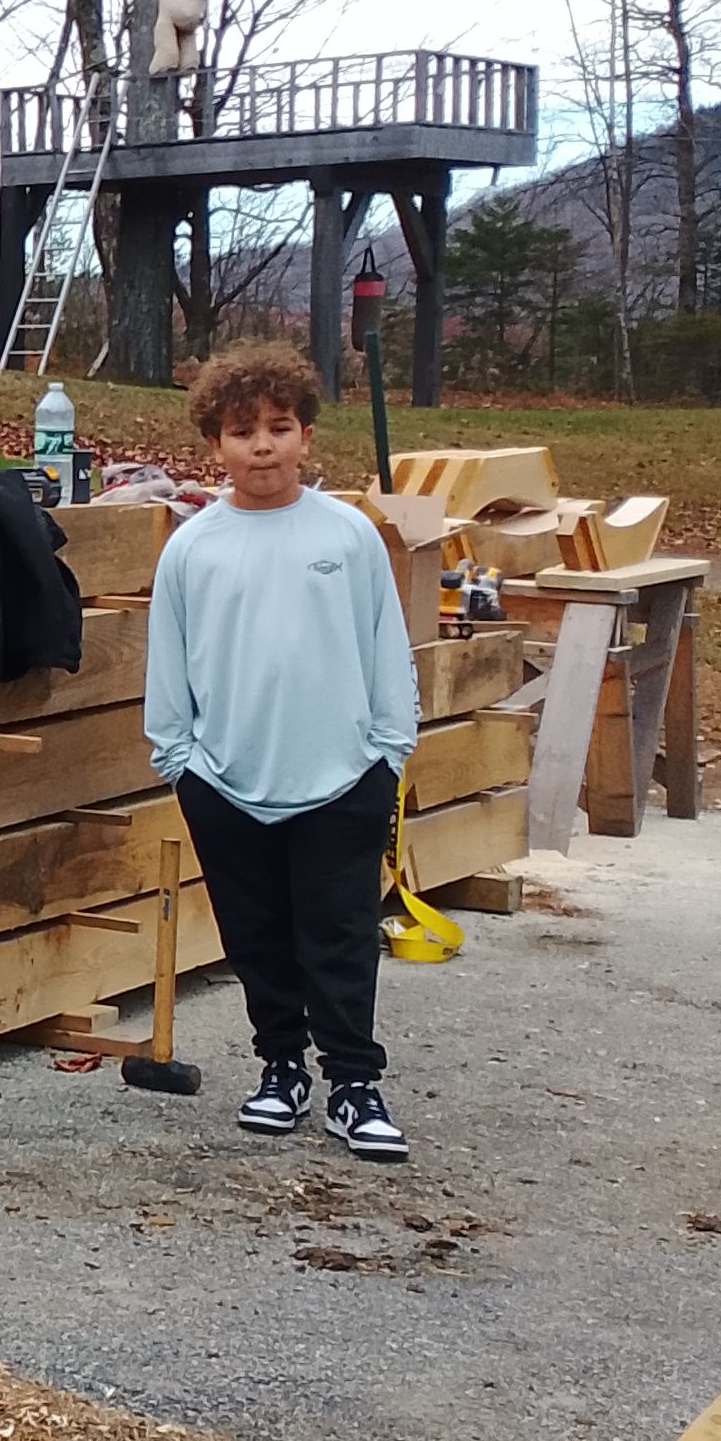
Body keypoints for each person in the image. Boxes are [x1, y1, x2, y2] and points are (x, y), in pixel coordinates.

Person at [144, 341, 419, 1162]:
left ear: (307, 435)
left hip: (342, 778)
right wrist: (181, 763)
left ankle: (354, 1084)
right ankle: (281, 1069)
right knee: (257, 935)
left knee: (339, 934)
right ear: (214, 444)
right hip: (227, 783)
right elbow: (168, 664)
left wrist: (387, 754)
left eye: (278, 427)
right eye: (242, 432)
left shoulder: (348, 536)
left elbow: (387, 646)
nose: (261, 446)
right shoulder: (193, 547)